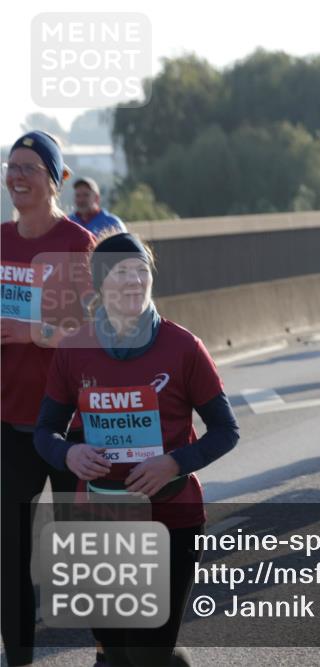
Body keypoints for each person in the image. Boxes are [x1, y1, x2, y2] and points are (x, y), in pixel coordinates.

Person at [33, 232, 239, 667]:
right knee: (118, 651)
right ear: (99, 284)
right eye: (122, 272)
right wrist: (68, 455)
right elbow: (45, 432)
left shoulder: (183, 346)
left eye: (141, 271)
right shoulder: (74, 350)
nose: (133, 281)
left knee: (147, 653)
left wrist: (174, 462)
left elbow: (225, 430)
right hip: (102, 518)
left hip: (172, 515)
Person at [1, 131, 96, 667]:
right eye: (11, 166)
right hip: (8, 416)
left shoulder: (76, 243)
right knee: (9, 552)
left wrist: (31, 331)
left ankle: (113, 651)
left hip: (67, 423)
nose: (16, 176)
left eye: (29, 167)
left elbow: (96, 332)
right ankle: (18, 657)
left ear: (56, 179)